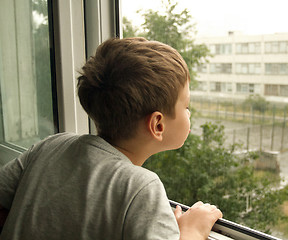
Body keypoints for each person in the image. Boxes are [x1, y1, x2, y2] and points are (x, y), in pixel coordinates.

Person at [0, 37, 222, 240]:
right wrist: (192, 230)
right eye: (186, 106)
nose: (189, 112)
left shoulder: (51, 145)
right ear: (157, 125)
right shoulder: (142, 187)